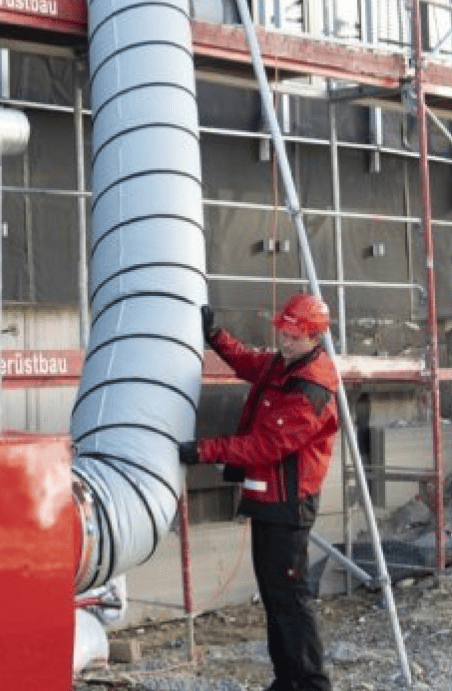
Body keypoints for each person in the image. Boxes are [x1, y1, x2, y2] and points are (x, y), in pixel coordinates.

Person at [179, 293, 339, 691]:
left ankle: (313, 684)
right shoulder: (286, 365)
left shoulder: (310, 386)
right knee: (275, 596)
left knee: (290, 598)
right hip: (271, 499)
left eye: (293, 334)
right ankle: (287, 680)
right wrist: (216, 336)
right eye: (283, 332)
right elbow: (250, 362)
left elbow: (265, 446)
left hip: (288, 503)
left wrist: (203, 450)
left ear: (314, 336)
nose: (285, 340)